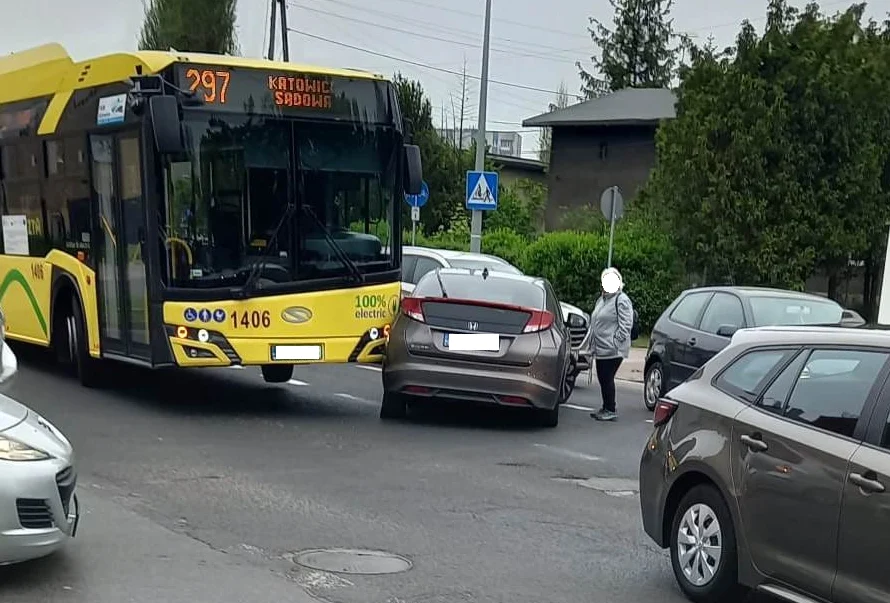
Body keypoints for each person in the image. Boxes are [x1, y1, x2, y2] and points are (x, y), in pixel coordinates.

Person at [589, 267, 634, 422]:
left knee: (606, 377)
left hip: (612, 349)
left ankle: (610, 408)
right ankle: (606, 406)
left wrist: (615, 341)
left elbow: (626, 324)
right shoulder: (602, 300)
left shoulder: (621, 299)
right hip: (601, 347)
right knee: (603, 377)